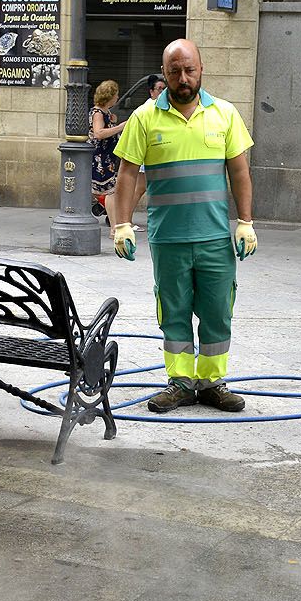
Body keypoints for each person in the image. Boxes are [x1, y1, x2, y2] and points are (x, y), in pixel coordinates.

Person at [110, 38, 257, 414]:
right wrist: (121, 225)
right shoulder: (145, 117)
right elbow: (127, 175)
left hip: (214, 239)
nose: (183, 77)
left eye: (189, 69)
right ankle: (179, 383)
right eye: (174, 71)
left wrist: (245, 222)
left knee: (217, 312)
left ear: (201, 69)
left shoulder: (225, 114)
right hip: (169, 239)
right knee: (173, 313)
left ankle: (211, 383)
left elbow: (239, 172)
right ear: (165, 74)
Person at [89, 80, 126, 222]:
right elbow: (98, 133)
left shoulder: (106, 112)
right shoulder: (98, 113)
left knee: (111, 191)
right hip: (101, 158)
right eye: (116, 95)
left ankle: (101, 208)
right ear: (109, 96)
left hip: (108, 157)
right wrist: (120, 127)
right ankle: (113, 228)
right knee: (111, 191)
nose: (117, 97)